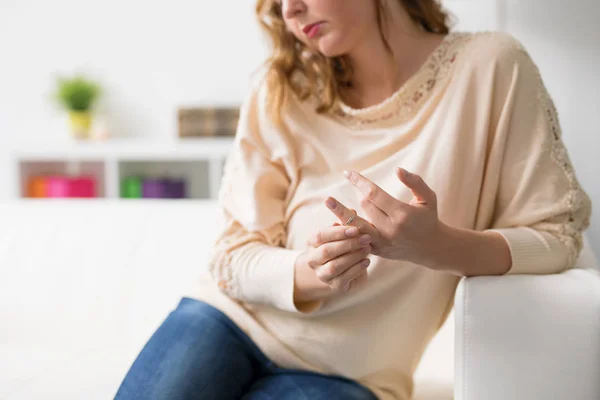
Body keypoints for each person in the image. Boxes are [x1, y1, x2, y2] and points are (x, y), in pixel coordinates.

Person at [115, 0, 593, 399]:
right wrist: (310, 273)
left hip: (350, 377)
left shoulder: (492, 70)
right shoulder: (283, 91)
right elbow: (230, 257)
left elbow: (558, 237)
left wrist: (439, 246)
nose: (290, 10)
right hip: (226, 321)